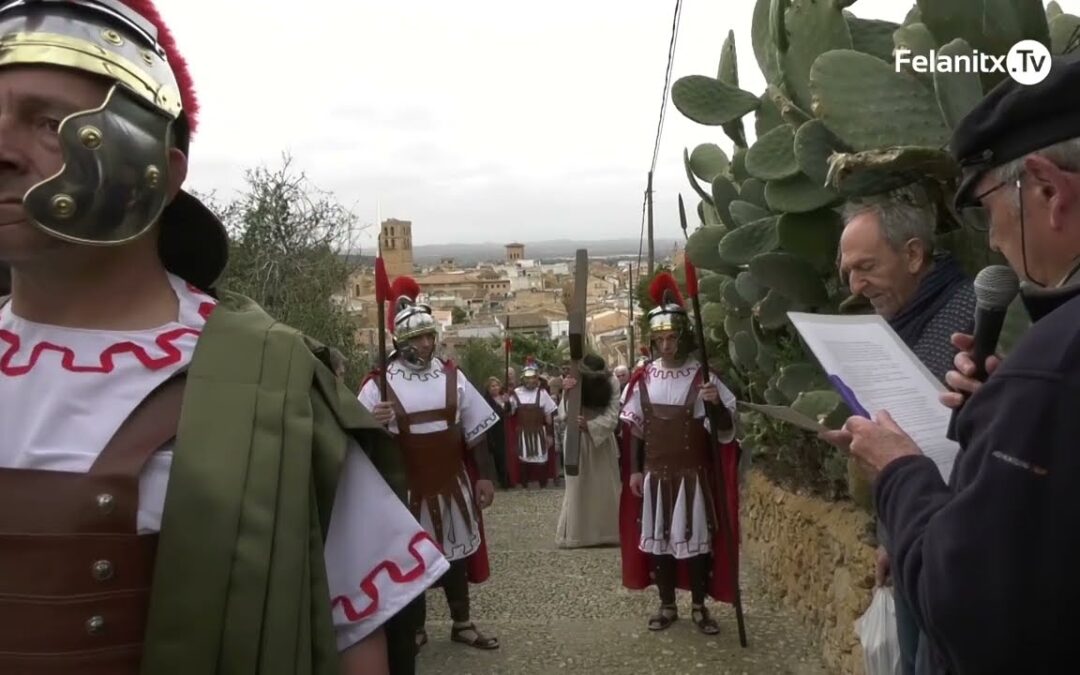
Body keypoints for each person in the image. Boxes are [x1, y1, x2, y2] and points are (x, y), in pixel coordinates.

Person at [0, 2, 447, 673]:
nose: (2, 149)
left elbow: (355, 650)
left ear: (162, 170)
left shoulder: (278, 389)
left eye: (45, 122)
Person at [842, 55, 1080, 675]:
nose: (995, 238)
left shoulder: (1053, 367)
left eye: (989, 206)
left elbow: (968, 601)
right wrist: (1001, 419)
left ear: (1050, 190)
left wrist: (897, 472)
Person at [834, 185, 976, 675]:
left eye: (866, 267)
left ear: (914, 254)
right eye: (849, 272)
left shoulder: (970, 321)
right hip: (915, 542)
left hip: (960, 561)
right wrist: (892, 539)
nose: (856, 285)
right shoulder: (903, 322)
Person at [358, 276, 501, 652]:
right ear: (402, 341)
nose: (426, 343)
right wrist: (372, 419)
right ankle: (416, 628)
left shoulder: (453, 376)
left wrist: (484, 477)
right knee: (414, 559)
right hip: (406, 486)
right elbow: (355, 437)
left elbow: (477, 430)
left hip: (452, 481)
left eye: (429, 336)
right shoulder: (378, 385)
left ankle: (462, 622)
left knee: (456, 556)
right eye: (418, 338)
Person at [618, 272, 741, 635]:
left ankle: (700, 606)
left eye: (672, 337)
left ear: (682, 336)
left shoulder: (703, 377)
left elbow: (724, 431)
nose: (666, 345)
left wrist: (716, 404)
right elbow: (637, 428)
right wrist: (636, 471)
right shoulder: (644, 377)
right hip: (656, 472)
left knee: (695, 542)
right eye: (660, 338)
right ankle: (667, 604)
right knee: (661, 542)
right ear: (653, 341)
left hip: (693, 474)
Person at [554, 354, 621, 548]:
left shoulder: (612, 381)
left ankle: (606, 533)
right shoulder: (576, 379)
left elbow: (613, 414)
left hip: (600, 439)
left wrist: (591, 425)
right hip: (576, 439)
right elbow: (564, 413)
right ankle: (578, 534)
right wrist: (566, 393)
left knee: (604, 484)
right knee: (577, 484)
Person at [505, 357, 559, 488]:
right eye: (528, 378)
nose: (531, 381)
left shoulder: (542, 393)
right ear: (523, 379)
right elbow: (510, 412)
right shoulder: (515, 393)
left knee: (541, 459)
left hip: (540, 431)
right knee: (523, 459)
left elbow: (548, 415)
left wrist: (550, 435)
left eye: (533, 378)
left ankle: (543, 484)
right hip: (523, 432)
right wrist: (507, 402)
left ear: (537, 379)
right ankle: (524, 485)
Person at [483, 375, 512, 489]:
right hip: (494, 431)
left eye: (496, 385)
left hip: (505, 430)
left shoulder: (503, 397)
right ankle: (502, 480)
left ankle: (507, 479)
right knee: (498, 456)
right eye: (492, 386)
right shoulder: (487, 401)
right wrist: (502, 406)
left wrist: (507, 403)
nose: (495, 388)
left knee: (506, 455)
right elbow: (495, 414)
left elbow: (508, 412)